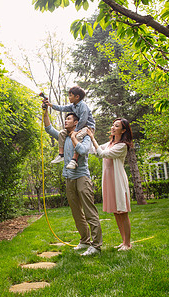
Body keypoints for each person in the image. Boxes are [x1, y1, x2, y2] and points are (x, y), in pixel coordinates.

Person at [43, 109, 102, 256]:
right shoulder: (64, 137)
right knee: (76, 213)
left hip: (82, 177)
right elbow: (49, 129)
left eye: (69, 119)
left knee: (89, 212)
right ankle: (84, 241)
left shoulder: (85, 136)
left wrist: (75, 137)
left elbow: (83, 150)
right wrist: (45, 113)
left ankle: (96, 245)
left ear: (76, 122)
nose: (65, 121)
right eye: (66, 118)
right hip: (69, 178)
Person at [87, 118, 133, 251]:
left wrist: (92, 137)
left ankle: (128, 244)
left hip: (117, 181)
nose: (113, 127)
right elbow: (95, 150)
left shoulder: (122, 146)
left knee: (122, 212)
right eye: (113, 125)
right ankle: (123, 241)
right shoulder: (110, 143)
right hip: (109, 181)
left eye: (116, 126)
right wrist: (85, 138)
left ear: (123, 130)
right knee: (116, 212)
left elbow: (102, 153)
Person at [43, 86, 95, 170]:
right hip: (80, 126)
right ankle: (61, 154)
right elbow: (62, 108)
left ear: (77, 97)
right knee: (62, 133)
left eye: (70, 95)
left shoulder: (83, 106)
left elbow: (83, 120)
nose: (69, 97)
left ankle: (74, 159)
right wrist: (50, 105)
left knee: (77, 137)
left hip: (88, 127)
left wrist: (76, 131)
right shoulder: (73, 106)